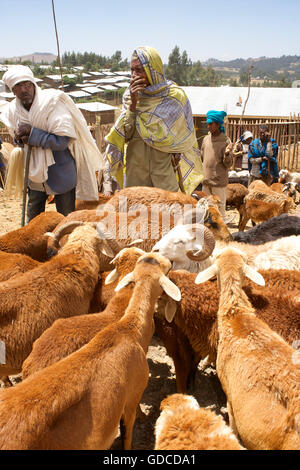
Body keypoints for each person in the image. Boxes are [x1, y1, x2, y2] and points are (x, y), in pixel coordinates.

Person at [1, 65, 111, 222]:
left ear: (33, 84)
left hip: (61, 174)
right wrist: (19, 137)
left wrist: (32, 134)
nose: (24, 89)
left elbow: (62, 141)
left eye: (27, 84)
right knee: (33, 221)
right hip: (35, 175)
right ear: (13, 91)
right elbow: (17, 140)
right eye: (18, 86)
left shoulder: (52, 103)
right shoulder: (13, 111)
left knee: (66, 219)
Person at [105, 46, 203, 195]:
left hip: (163, 177)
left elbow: (183, 138)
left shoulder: (174, 98)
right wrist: (133, 102)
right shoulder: (129, 97)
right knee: (135, 217)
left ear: (152, 69)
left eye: (139, 70)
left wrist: (175, 152)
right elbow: (127, 135)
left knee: (168, 216)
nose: (134, 75)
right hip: (136, 177)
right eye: (132, 70)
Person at [200, 110, 233, 221]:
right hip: (206, 182)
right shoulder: (205, 139)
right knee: (205, 210)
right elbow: (202, 157)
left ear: (218, 124)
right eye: (208, 124)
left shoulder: (225, 141)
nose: (208, 126)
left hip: (218, 183)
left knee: (219, 211)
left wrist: (227, 154)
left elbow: (228, 164)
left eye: (211, 124)